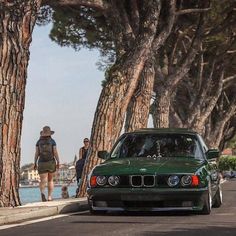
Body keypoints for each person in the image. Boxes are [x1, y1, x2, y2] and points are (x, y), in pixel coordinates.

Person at [34, 126, 60, 202]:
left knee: (43, 180)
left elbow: (37, 153)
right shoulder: (52, 141)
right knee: (50, 180)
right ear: (50, 133)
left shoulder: (38, 142)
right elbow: (55, 152)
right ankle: (49, 197)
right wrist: (58, 161)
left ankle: (42, 193)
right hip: (51, 162)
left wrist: (35, 162)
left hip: (41, 162)